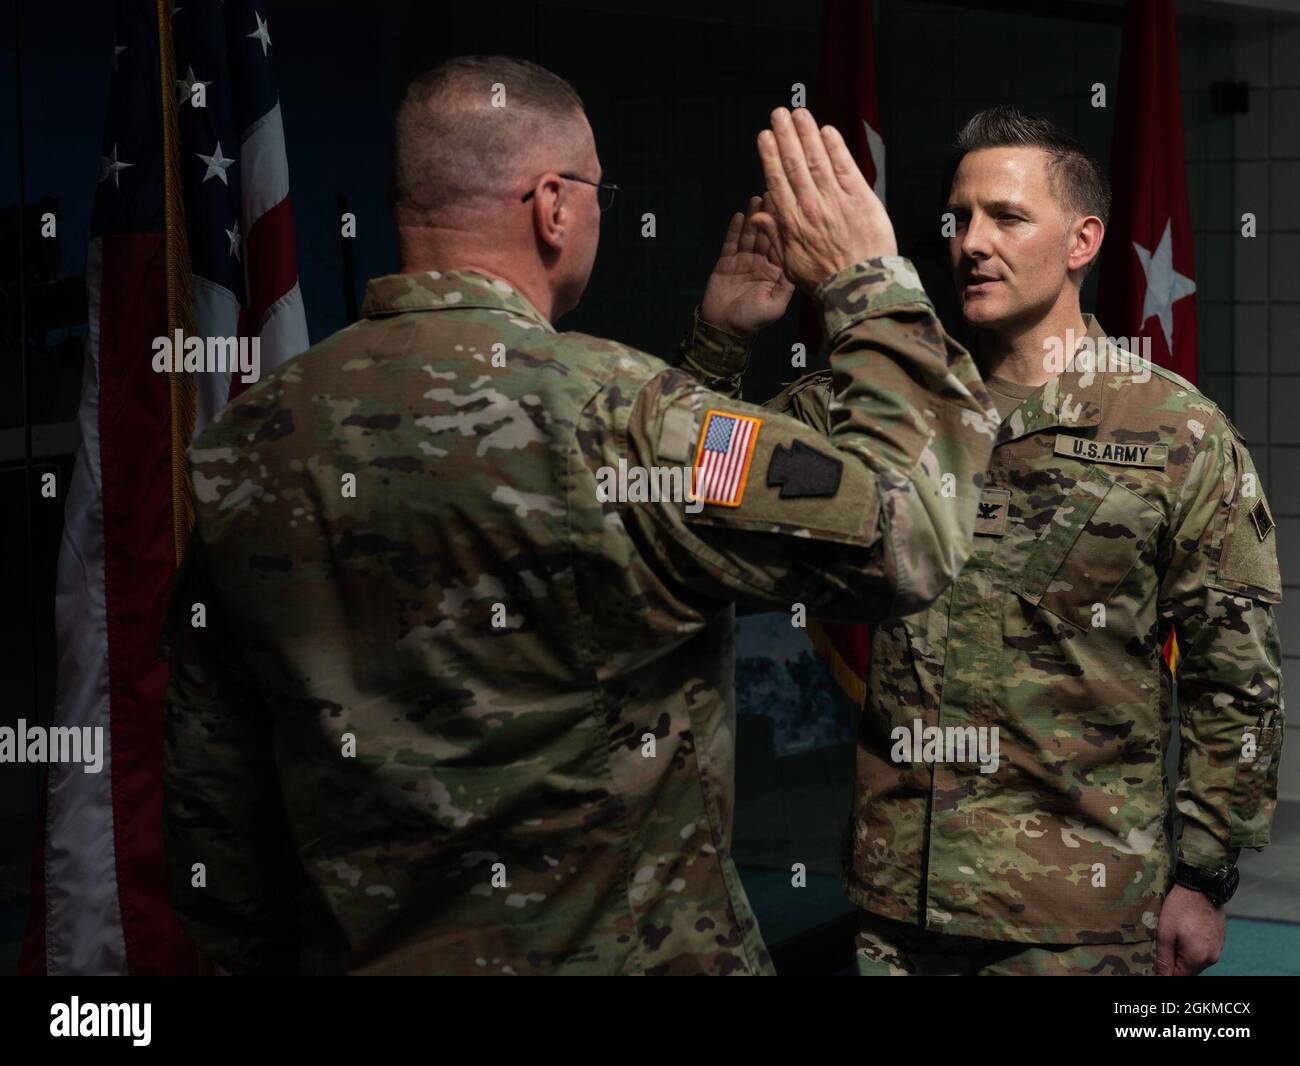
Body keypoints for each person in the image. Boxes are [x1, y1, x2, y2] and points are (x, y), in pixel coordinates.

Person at [158, 57, 997, 975]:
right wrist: (868, 282)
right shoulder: (611, 411)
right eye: (601, 190)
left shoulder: (247, 442)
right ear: (553, 204)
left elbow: (215, 814)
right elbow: (908, 529)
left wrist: (713, 354)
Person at [739, 106, 1283, 976]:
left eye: (1008, 217)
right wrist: (724, 338)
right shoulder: (885, 400)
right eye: (959, 219)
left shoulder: (1175, 432)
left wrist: (1206, 875)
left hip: (1078, 921)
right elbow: (692, 487)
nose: (972, 243)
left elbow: (1237, 680)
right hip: (897, 908)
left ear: (1082, 241)